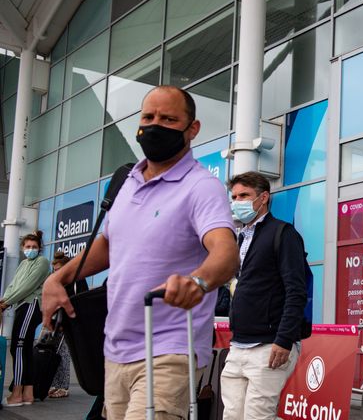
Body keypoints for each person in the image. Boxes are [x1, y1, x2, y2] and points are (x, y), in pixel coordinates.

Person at [41, 85, 239, 419]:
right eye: (148, 117)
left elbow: (226, 251)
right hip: (115, 348)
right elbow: (107, 244)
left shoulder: (201, 186)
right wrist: (57, 278)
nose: (155, 125)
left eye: (168, 118)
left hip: (168, 349)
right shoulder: (125, 181)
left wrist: (199, 281)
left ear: (193, 129)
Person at [221, 171, 307, 419]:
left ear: (264, 197)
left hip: (269, 345)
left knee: (258, 416)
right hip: (238, 345)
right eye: (235, 196)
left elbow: (296, 291)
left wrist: (284, 339)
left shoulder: (284, 234)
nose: (238, 201)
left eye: (244, 195)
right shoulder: (239, 238)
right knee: (232, 416)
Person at [0, 231, 50, 407]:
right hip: (22, 306)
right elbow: (14, 284)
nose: (31, 249)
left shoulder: (42, 262)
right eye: (28, 247)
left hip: (31, 304)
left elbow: (28, 286)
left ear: (39, 248)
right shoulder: (23, 264)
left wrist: (6, 303)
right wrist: (4, 300)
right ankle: (28, 393)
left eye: (34, 247)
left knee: (18, 348)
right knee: (25, 349)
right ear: (23, 248)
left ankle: (17, 394)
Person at [47, 251, 88, 399]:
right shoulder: (57, 283)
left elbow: (82, 299)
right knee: (56, 353)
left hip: (71, 320)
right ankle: (55, 384)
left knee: (64, 353)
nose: (56, 273)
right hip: (58, 320)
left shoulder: (76, 280)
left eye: (59, 270)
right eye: (54, 270)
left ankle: (63, 387)